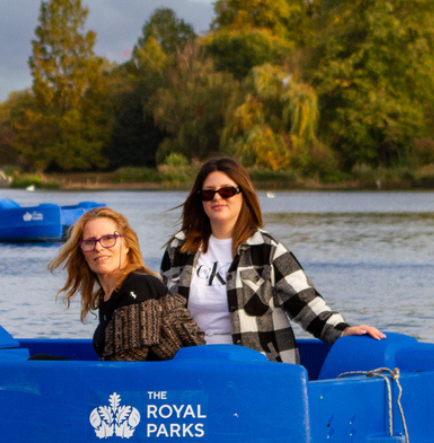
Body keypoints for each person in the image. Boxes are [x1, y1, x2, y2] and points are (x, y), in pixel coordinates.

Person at [162, 155, 384, 364]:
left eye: (227, 191)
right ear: (200, 199)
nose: (217, 197)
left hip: (256, 368)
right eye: (208, 193)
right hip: (192, 366)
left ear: (243, 195)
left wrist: (343, 331)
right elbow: (162, 310)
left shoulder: (268, 250)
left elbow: (306, 304)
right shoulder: (179, 249)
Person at [49, 206, 205, 361]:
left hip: (184, 382)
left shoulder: (138, 286)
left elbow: (126, 364)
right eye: (90, 242)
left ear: (126, 245)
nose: (98, 247)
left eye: (108, 238)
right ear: (82, 252)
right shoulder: (108, 295)